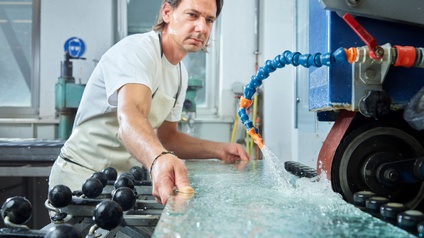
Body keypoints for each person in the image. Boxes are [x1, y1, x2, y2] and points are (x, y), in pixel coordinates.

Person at [49, 0, 250, 205]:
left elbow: (168, 138)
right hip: (81, 178)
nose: (202, 28)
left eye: (209, 20)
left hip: (122, 184)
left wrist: (218, 150)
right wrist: (159, 159)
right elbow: (130, 117)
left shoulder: (180, 75)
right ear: (167, 12)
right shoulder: (137, 51)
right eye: (192, 15)